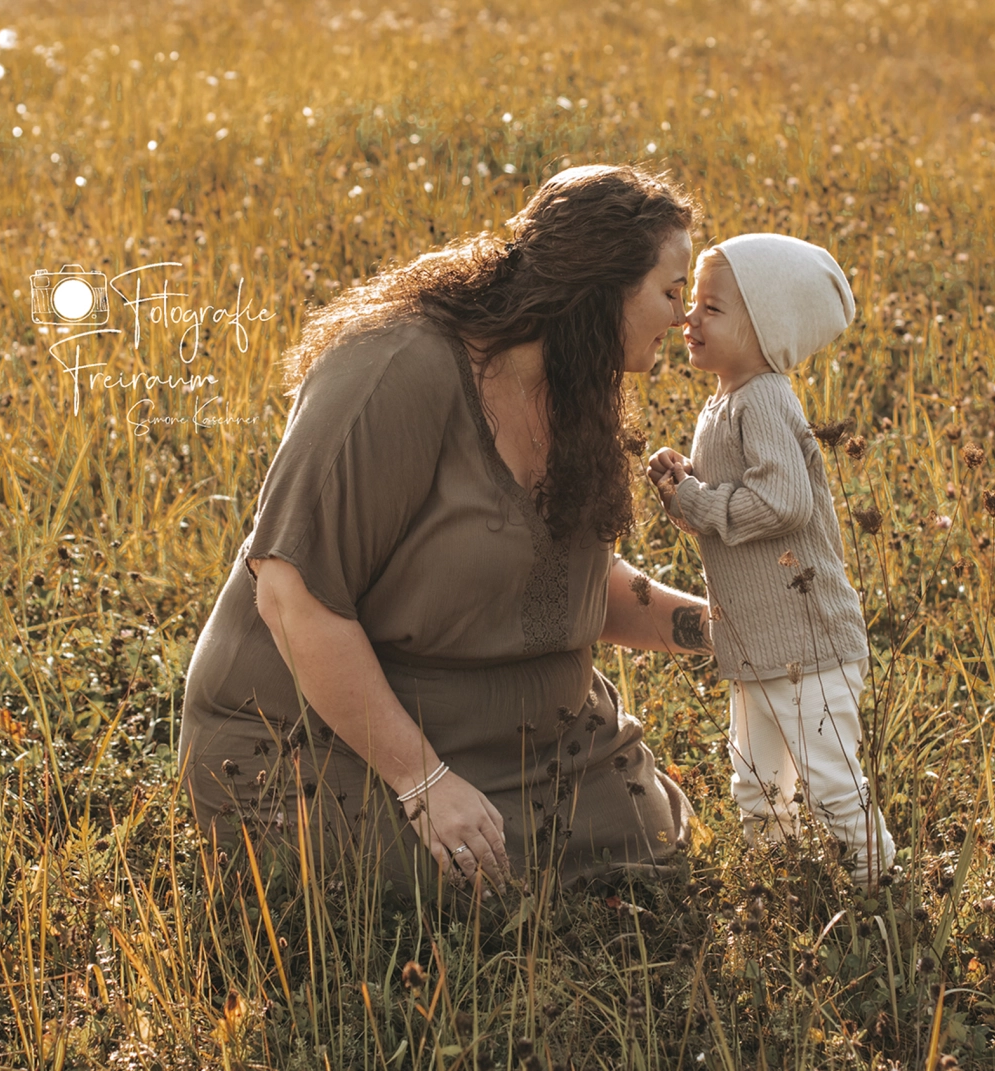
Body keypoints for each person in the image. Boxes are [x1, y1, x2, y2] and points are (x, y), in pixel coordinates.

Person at [178, 164, 715, 898]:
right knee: (453, 887)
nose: (683, 319)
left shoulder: (576, 387)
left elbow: (567, 583)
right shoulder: (396, 369)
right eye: (671, 293)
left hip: (520, 740)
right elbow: (291, 596)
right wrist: (424, 781)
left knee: (649, 838)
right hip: (319, 740)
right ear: (603, 287)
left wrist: (713, 629)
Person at [646, 234, 896, 886]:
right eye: (692, 303)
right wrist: (684, 483)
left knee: (831, 782)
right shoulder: (726, 400)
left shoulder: (763, 398)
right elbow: (727, 507)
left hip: (807, 641)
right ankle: (771, 889)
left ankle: (882, 893)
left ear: (766, 330)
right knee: (755, 780)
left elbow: (780, 503)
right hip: (759, 642)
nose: (689, 319)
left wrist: (696, 500)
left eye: (711, 308)